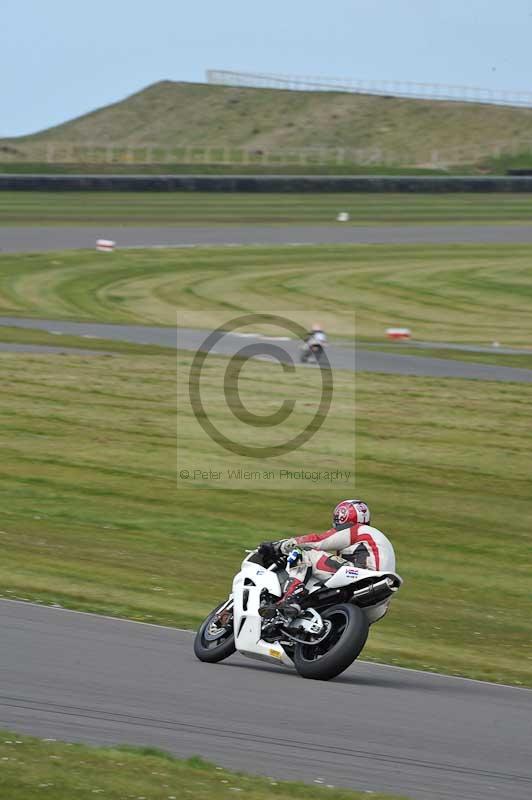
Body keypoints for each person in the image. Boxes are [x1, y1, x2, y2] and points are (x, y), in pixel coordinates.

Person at [258, 499, 395, 619]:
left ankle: (290, 597)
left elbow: (318, 541)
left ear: (341, 517)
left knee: (303, 551)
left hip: (360, 575)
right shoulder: (374, 539)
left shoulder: (357, 530)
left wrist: (279, 546)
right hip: (379, 604)